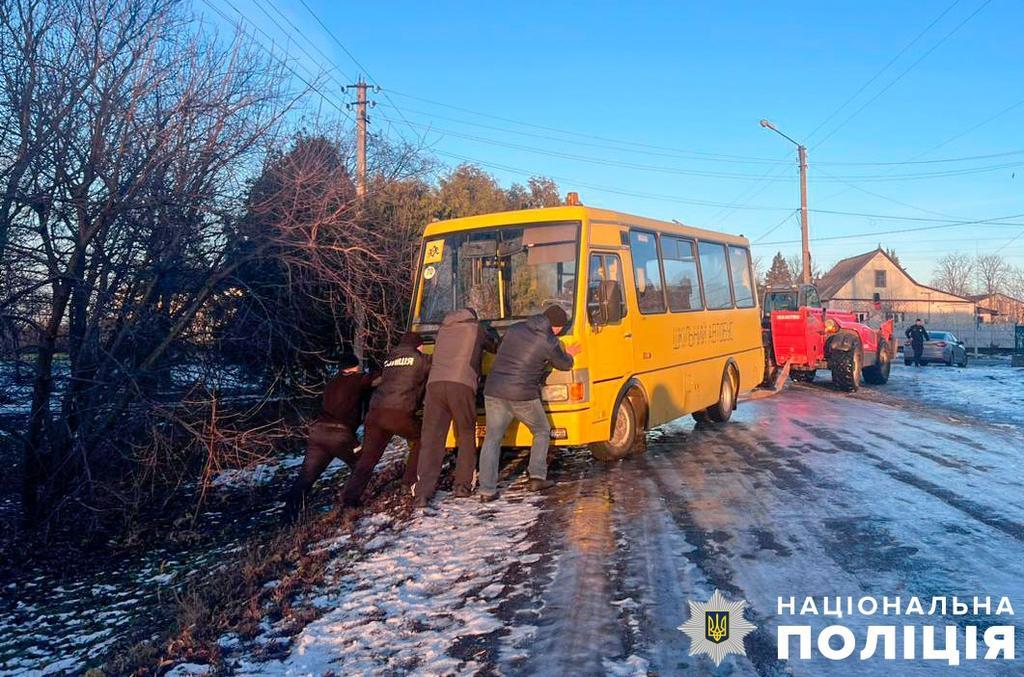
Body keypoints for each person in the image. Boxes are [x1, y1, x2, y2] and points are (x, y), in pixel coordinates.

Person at [477, 306, 581, 502]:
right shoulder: (549, 340)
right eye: (561, 328)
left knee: (492, 438)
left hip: (494, 390)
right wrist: (569, 353)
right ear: (556, 326)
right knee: (542, 431)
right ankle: (537, 477)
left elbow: (500, 348)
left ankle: (486, 490)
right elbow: (565, 364)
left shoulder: (515, 328)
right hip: (521, 393)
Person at [413, 309, 499, 507]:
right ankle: (462, 485)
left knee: (432, 438)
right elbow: (494, 347)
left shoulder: (443, 330)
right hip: (461, 384)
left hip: (434, 386)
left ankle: (423, 493)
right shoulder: (476, 328)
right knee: (466, 433)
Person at [340, 332, 430, 508]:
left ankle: (349, 499)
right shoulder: (420, 358)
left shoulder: (389, 359)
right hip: (398, 412)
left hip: (375, 413)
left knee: (368, 458)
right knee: (422, 438)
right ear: (417, 345)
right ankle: (409, 483)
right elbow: (441, 365)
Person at [283, 353, 371, 523]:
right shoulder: (357, 380)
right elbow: (376, 379)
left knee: (307, 476)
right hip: (340, 434)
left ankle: (289, 516)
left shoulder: (331, 383)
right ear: (354, 366)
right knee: (361, 464)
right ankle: (350, 503)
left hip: (318, 432)